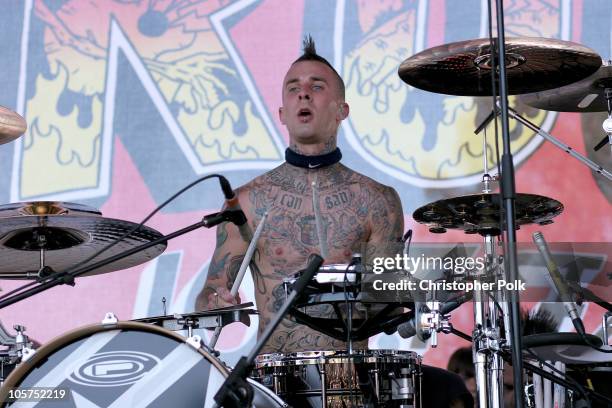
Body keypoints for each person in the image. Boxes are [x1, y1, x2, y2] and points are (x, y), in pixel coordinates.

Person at [196, 37, 472, 407]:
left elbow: (386, 287)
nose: (303, 95)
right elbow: (208, 297)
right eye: (293, 88)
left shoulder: (377, 198)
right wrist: (217, 302)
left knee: (447, 390)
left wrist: (436, 290)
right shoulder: (245, 201)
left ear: (342, 109)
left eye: (316, 86)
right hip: (273, 381)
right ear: (282, 113)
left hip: (350, 377)